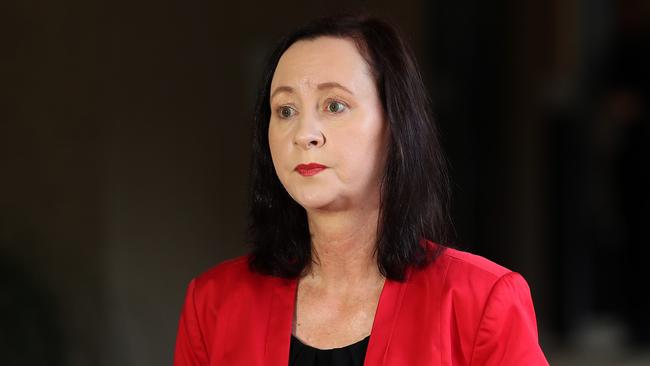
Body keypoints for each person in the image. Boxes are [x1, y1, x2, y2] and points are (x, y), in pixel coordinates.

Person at [174, 14, 549, 366]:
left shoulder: (482, 301)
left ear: (395, 128)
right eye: (285, 110)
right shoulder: (212, 303)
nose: (304, 134)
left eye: (334, 105)